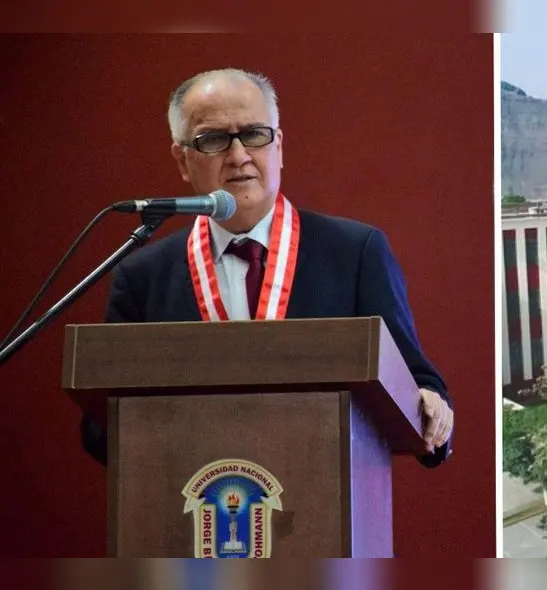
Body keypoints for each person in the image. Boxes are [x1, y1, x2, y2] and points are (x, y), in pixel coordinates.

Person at [79, 68, 454, 468]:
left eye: (255, 135)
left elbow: (417, 385)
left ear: (279, 147)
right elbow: (102, 431)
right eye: (215, 139)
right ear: (183, 160)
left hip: (323, 504)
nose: (239, 156)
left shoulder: (355, 252)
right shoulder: (143, 277)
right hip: (194, 506)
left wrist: (431, 405)